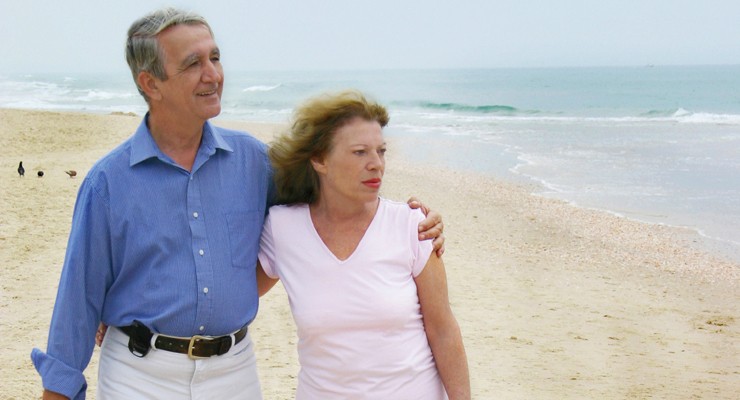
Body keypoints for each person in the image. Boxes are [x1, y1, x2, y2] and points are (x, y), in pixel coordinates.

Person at [31, 8, 444, 400]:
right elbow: (78, 298)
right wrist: (59, 389)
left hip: (234, 371)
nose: (213, 74)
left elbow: (330, 203)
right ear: (150, 84)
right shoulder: (107, 183)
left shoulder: (255, 162)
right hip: (139, 372)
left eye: (215, 57)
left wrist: (408, 220)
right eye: (193, 64)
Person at [256, 90, 470, 399]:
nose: (376, 164)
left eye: (381, 151)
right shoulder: (283, 228)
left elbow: (443, 330)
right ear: (319, 159)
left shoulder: (413, 226)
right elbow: (237, 299)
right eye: (360, 152)